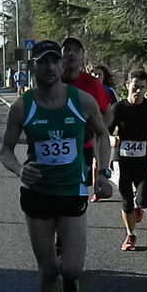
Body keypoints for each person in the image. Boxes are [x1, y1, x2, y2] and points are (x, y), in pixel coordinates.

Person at [0, 40, 112, 292]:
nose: (49, 67)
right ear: (32, 67)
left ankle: (71, 280)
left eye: (54, 61)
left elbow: (103, 134)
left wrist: (102, 173)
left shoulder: (82, 100)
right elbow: (5, 151)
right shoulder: (23, 106)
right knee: (48, 269)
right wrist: (20, 170)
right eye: (42, 62)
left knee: (71, 268)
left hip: (72, 190)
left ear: (62, 66)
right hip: (37, 193)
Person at [109, 70, 147, 250]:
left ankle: (138, 207)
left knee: (144, 201)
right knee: (126, 200)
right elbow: (106, 130)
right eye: (135, 87)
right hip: (122, 160)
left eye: (142, 88)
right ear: (127, 86)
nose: (138, 91)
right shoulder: (118, 108)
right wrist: (111, 138)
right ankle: (130, 235)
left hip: (143, 161)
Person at [61, 37, 112, 192]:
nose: (71, 54)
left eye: (76, 51)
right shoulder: (51, 81)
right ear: (60, 54)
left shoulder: (91, 84)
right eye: (67, 49)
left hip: (83, 148)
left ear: (82, 56)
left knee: (77, 195)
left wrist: (98, 130)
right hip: (54, 148)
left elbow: (108, 113)